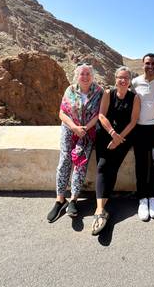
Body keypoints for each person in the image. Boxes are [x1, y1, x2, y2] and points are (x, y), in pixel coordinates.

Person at [47, 64, 103, 223]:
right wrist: (74, 127)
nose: (85, 76)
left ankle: (73, 200)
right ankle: (60, 199)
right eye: (82, 74)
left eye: (88, 74)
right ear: (77, 76)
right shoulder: (70, 90)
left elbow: (99, 114)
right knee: (64, 161)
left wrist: (84, 129)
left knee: (80, 164)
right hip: (69, 130)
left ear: (92, 76)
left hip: (87, 132)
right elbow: (62, 112)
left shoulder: (98, 92)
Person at [91, 66, 140, 235]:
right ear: (115, 78)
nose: (123, 80)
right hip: (105, 134)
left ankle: (100, 211)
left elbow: (133, 122)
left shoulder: (135, 98)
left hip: (125, 137)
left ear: (130, 81)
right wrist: (113, 134)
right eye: (120, 77)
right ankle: (100, 210)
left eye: (126, 77)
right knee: (102, 167)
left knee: (113, 168)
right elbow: (101, 115)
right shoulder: (108, 93)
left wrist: (119, 139)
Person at [131, 53, 154, 221]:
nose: (150, 66)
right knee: (140, 164)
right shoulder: (135, 83)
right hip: (139, 129)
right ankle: (142, 199)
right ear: (143, 64)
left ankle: (153, 198)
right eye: (148, 63)